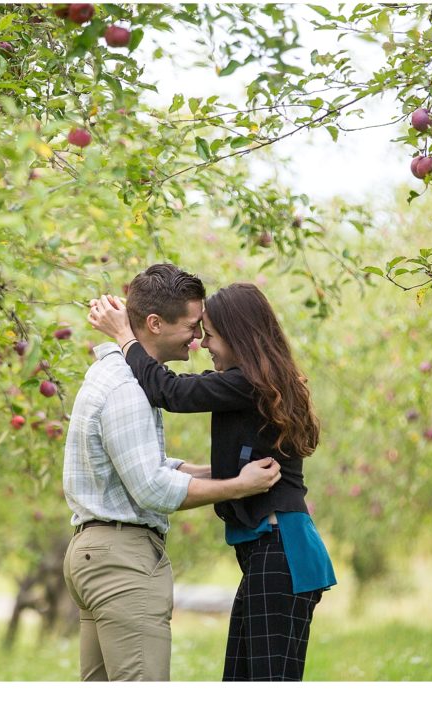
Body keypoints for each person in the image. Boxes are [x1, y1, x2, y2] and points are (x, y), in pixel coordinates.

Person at [88, 281, 337, 682]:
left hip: (283, 552)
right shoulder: (255, 383)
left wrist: (124, 336)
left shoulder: (248, 384)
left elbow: (169, 391)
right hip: (271, 554)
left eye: (212, 336)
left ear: (239, 339)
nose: (204, 345)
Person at [62, 263, 283, 682]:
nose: (199, 340)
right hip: (122, 563)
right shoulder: (128, 387)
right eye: (193, 327)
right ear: (154, 323)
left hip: (92, 553)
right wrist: (237, 487)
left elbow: (142, 466)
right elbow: (152, 488)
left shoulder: (106, 374)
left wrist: (214, 472)